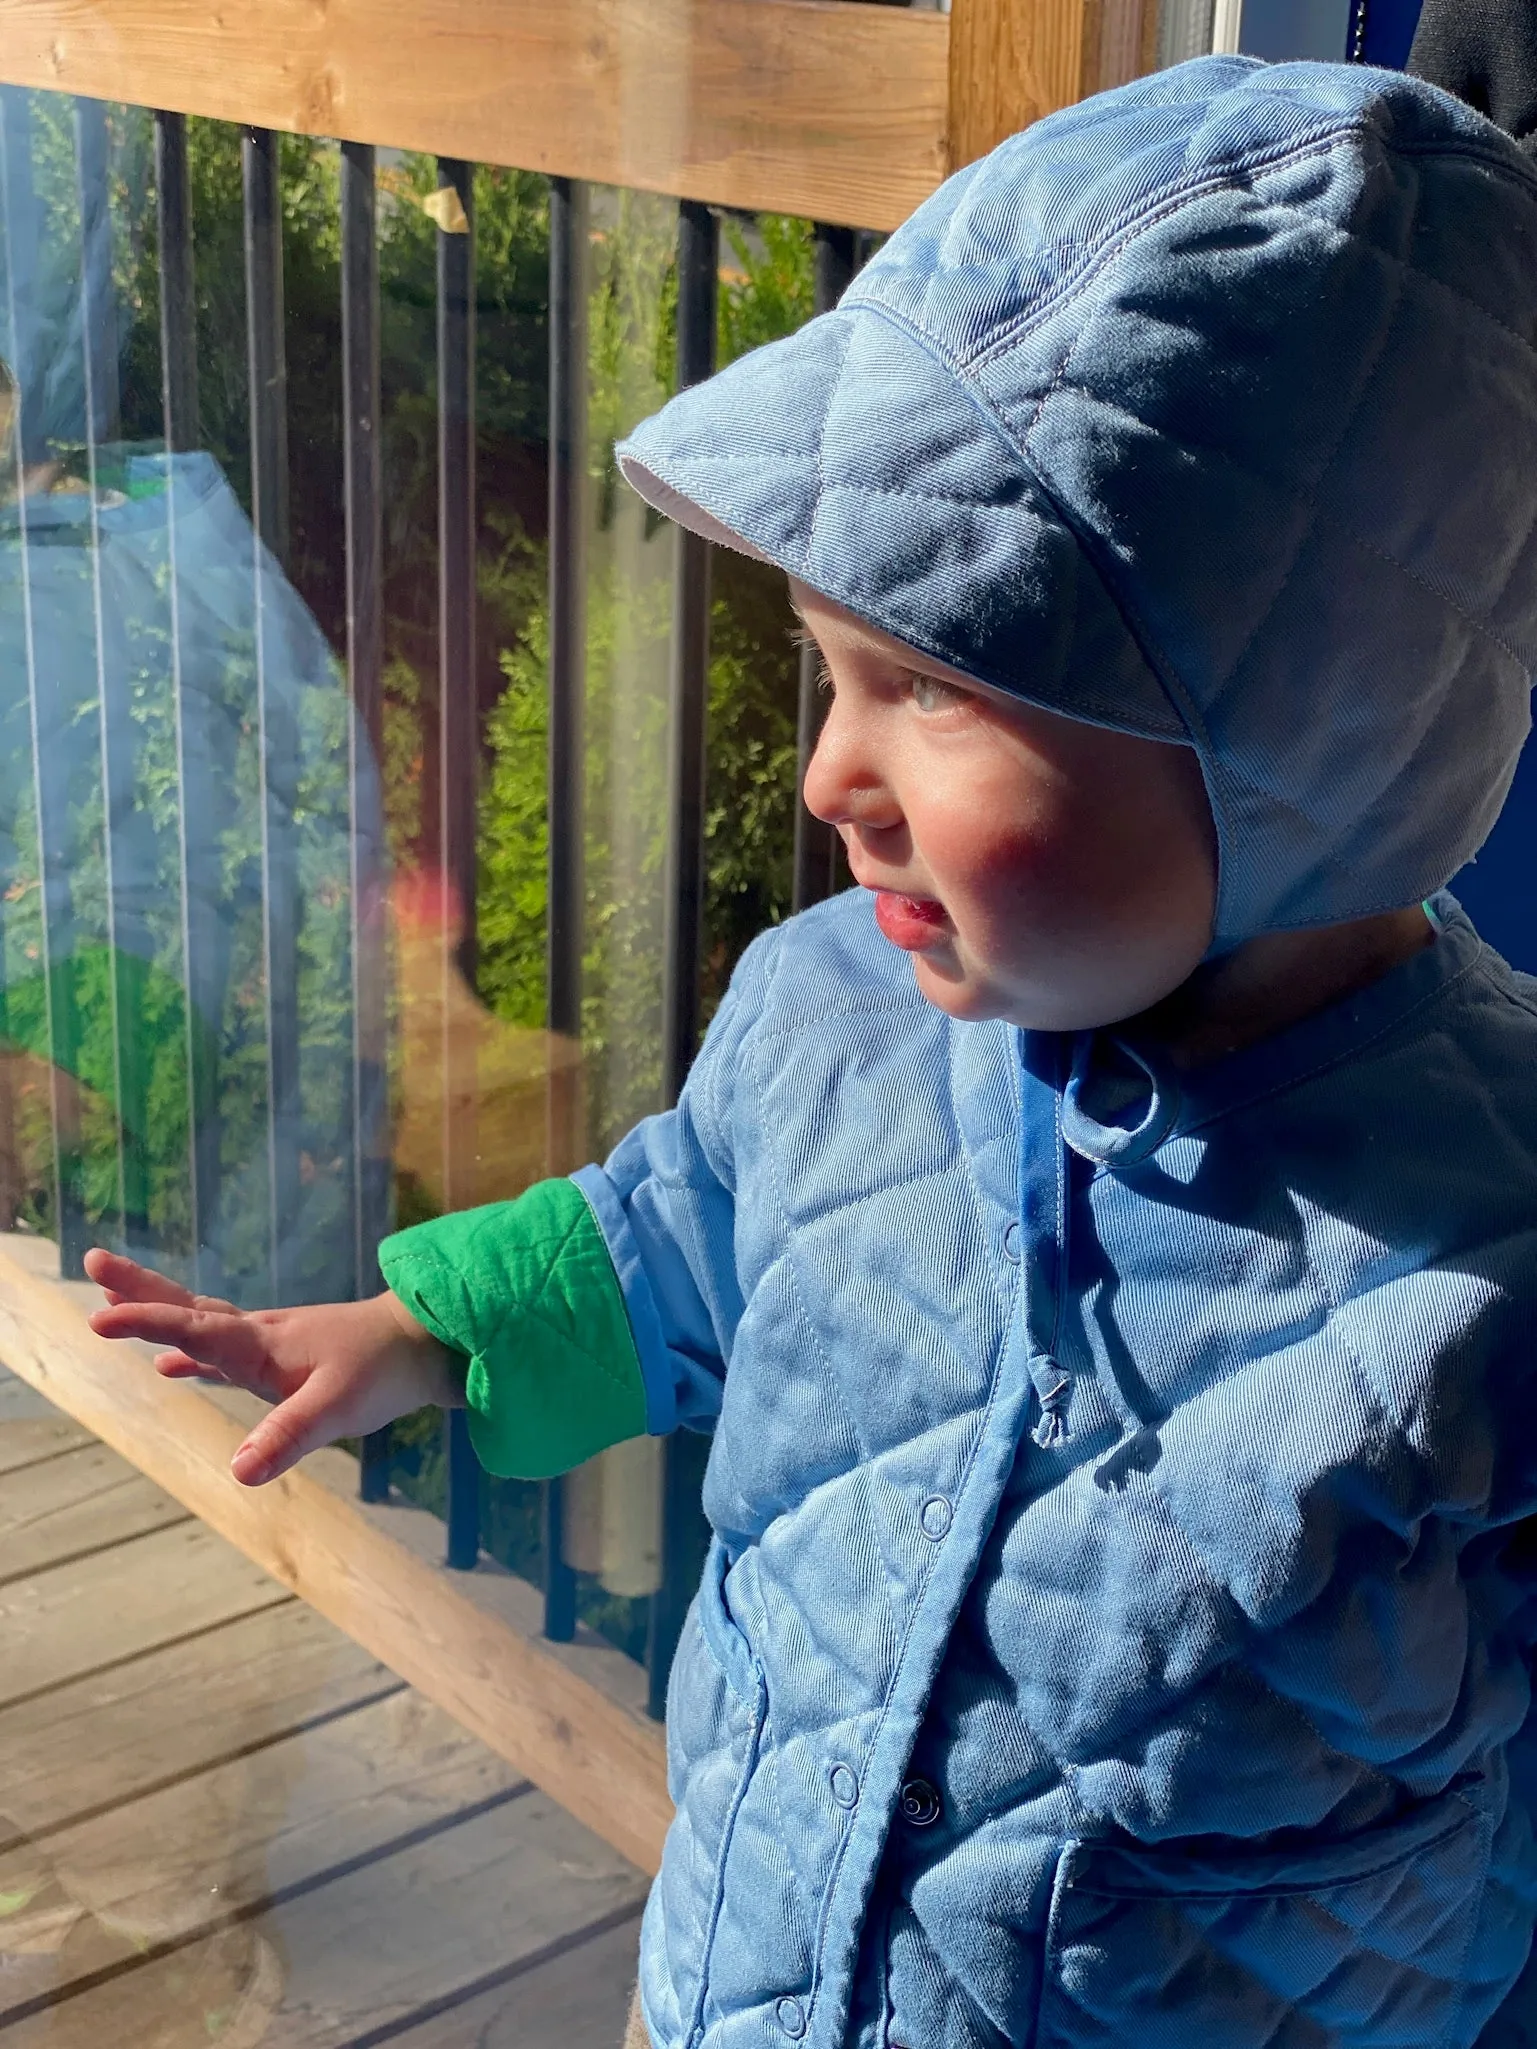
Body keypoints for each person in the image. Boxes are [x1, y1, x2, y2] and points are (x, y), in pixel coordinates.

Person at [86, 55, 1537, 2049]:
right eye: (825, 672)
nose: (833, 771)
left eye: (933, 691)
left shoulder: (1491, 1247)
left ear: (1304, 744)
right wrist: (417, 1332)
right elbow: (673, 1231)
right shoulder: (832, 1007)